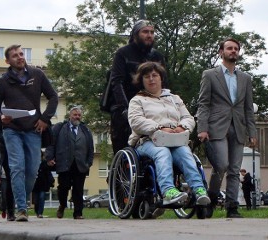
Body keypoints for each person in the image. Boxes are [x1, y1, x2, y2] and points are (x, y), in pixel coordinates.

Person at [127, 62, 210, 210]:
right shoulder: (137, 100)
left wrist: (182, 127)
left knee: (186, 153)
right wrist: (159, 127)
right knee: (162, 152)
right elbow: (136, 121)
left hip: (175, 139)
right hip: (148, 140)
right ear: (142, 80)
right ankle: (168, 191)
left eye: (155, 75)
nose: (151, 79)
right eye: (147, 76)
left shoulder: (174, 99)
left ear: (161, 78)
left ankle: (199, 189)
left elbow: (188, 118)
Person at [0, 44, 58, 222]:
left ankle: (18, 198)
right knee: (16, 167)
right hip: (11, 130)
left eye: (21, 54)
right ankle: (22, 208)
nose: (20, 57)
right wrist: (0, 117)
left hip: (34, 129)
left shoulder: (37, 75)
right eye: (15, 56)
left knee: (32, 171)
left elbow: (53, 97)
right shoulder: (4, 81)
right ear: (7, 61)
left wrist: (45, 118)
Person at [197, 37, 258, 219]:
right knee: (221, 165)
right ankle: (212, 198)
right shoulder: (210, 75)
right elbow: (203, 104)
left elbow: (248, 107)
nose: (233, 51)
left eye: (236, 49)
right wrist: (202, 128)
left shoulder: (245, 78)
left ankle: (232, 206)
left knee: (234, 169)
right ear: (221, 52)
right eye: (229, 48)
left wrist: (252, 132)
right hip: (217, 127)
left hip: (238, 127)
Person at [108, 20, 165, 154]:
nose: (149, 35)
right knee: (124, 152)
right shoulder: (123, 53)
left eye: (152, 32)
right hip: (126, 106)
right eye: (145, 32)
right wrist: (127, 109)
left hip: (152, 108)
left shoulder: (157, 56)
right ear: (135, 34)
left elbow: (164, 83)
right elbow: (117, 82)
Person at [46, 106, 94, 220]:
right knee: (63, 187)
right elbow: (51, 144)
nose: (77, 117)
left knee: (78, 189)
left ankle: (78, 213)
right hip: (64, 163)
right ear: (70, 116)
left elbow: (91, 148)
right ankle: (62, 205)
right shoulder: (60, 127)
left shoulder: (86, 130)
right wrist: (49, 157)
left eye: (79, 115)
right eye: (75, 115)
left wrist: (89, 162)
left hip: (80, 165)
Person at [0, 138, 15, 221]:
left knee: (11, 193)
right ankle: (3, 208)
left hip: (12, 176)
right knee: (4, 194)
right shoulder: (2, 154)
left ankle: (11, 211)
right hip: (3, 177)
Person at [32, 154, 54, 219]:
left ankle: (40, 213)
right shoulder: (33, 163)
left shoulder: (44, 163)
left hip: (43, 185)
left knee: (41, 198)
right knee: (36, 200)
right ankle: (37, 211)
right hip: (35, 185)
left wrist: (51, 182)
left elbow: (48, 173)